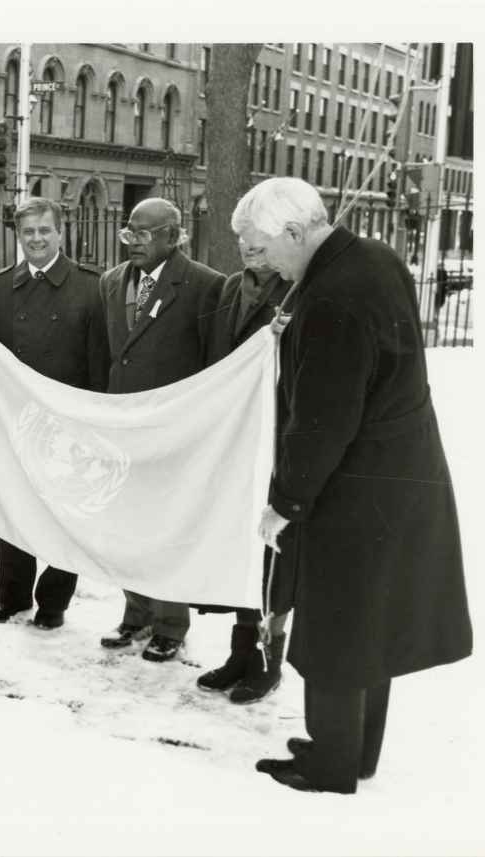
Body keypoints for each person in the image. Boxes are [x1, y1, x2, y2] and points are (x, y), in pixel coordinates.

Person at [236, 177, 472, 794]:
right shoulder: (376, 260)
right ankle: (358, 749)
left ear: (294, 232)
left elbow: (321, 421)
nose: (260, 261)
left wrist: (284, 502)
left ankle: (331, 762)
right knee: (371, 622)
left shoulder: (329, 299)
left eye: (261, 247)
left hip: (354, 487)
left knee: (336, 622)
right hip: (401, 474)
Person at [97, 197, 224, 662]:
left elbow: (215, 362)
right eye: (129, 231)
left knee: (168, 528)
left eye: (145, 233)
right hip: (124, 428)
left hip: (174, 433)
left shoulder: (205, 286)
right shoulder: (112, 283)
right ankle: (137, 613)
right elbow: (107, 356)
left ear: (174, 235)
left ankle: (171, 623)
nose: (133, 240)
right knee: (129, 525)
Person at [0, 197, 110, 630]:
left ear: (60, 232)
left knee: (61, 513)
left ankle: (54, 601)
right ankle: (11, 597)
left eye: (44, 231)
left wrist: (91, 423)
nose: (36, 239)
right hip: (16, 419)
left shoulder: (91, 286)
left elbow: (98, 359)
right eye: (28, 232)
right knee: (13, 507)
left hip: (67, 424)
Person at [194, 260, 296, 703]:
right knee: (241, 545)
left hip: (276, 431)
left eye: (257, 232)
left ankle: (269, 664)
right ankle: (241, 655)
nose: (248, 244)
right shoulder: (232, 286)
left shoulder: (295, 285)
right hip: (235, 430)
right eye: (242, 234)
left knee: (273, 556)